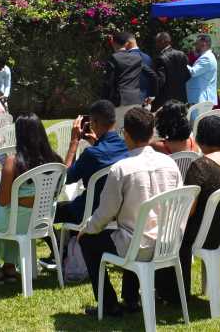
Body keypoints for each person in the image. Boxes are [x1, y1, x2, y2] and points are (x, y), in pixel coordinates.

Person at [78, 108, 182, 318]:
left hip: (138, 246)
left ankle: (108, 305)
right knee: (129, 230)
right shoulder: (171, 164)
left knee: (89, 241)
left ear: (125, 134)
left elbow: (105, 212)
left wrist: (86, 229)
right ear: (152, 133)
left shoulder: (122, 169)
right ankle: (131, 298)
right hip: (168, 243)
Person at [161, 115, 220, 302]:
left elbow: (189, 210)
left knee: (174, 233)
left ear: (200, 138)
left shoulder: (201, 166)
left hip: (206, 236)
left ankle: (176, 294)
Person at [0, 114, 63, 283]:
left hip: (16, 221)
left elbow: (3, 201)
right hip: (42, 220)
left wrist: (15, 197)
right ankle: (10, 267)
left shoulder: (12, 162)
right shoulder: (56, 161)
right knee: (9, 216)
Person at [55, 100, 129, 228]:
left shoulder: (92, 154)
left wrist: (74, 142)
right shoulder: (127, 147)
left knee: (43, 215)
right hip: (118, 213)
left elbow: (65, 178)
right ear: (114, 121)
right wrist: (97, 143)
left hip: (88, 213)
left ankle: (62, 246)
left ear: (94, 122)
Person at [102, 31, 155, 126]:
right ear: (126, 43)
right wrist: (152, 95)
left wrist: (105, 103)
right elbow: (153, 76)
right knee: (133, 131)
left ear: (114, 43)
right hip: (136, 100)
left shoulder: (113, 58)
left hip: (120, 100)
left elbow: (108, 83)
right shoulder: (137, 58)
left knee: (119, 131)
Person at [152, 32, 190, 111]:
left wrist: (152, 95)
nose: (156, 44)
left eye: (157, 41)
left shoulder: (160, 58)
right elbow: (187, 75)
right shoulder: (182, 54)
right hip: (181, 98)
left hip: (165, 100)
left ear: (163, 42)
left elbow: (160, 81)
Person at [186, 34, 218, 106]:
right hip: (201, 99)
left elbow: (193, 72)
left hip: (201, 99)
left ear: (204, 44)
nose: (195, 46)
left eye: (196, 44)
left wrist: (181, 62)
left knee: (198, 118)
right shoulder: (207, 56)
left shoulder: (206, 57)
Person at [124, 33, 155, 103]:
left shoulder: (125, 57)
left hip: (128, 100)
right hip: (145, 98)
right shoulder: (148, 58)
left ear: (127, 43)